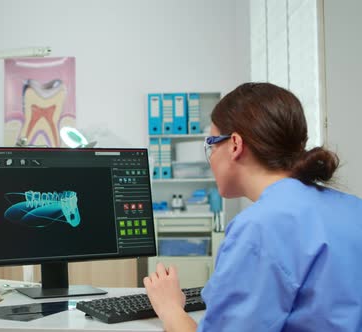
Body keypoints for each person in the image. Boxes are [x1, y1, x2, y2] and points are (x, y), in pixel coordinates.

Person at [143, 82, 362, 331]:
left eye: (212, 145)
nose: (211, 157)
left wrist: (170, 307)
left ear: (235, 145)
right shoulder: (353, 209)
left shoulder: (261, 227)